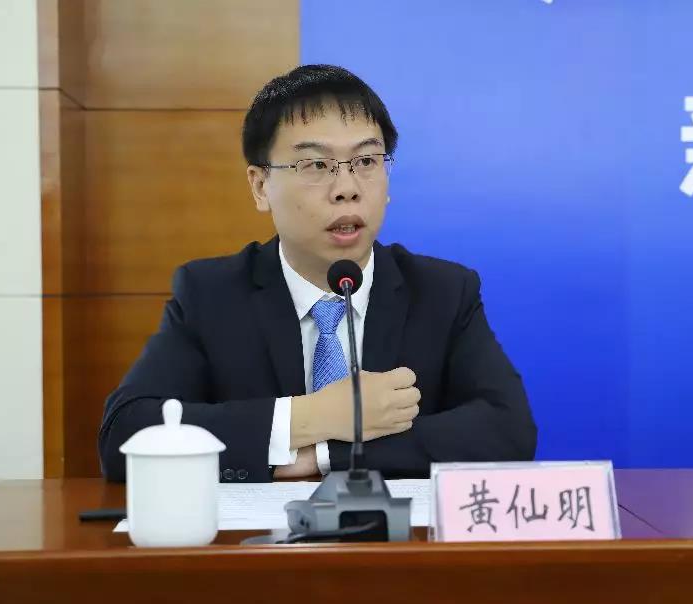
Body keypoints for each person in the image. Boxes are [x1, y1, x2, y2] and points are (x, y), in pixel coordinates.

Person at [99, 65, 536, 483]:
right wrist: (314, 416)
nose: (347, 188)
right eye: (316, 165)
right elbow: (126, 433)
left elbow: (508, 429)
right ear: (260, 186)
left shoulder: (442, 292)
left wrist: (324, 455)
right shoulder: (211, 294)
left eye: (366, 161)